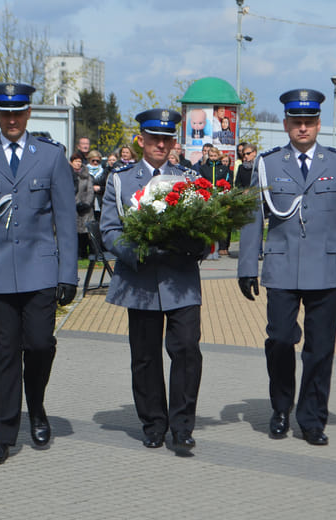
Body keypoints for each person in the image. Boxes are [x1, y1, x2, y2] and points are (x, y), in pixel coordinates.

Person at [237, 88, 336, 446]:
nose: (302, 128)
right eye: (296, 122)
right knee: (280, 340)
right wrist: (246, 265)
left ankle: (312, 418)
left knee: (320, 348)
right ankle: (281, 408)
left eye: (308, 122)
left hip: (326, 270)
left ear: (318, 124)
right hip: (281, 269)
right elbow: (252, 218)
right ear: (285, 124)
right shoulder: (268, 164)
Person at [0, 81, 78, 466]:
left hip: (41, 271)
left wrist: (68, 273)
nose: (12, 118)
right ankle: (3, 433)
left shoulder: (50, 156)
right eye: (5, 112)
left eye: (19, 111)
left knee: (40, 345)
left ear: (29, 114)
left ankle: (37, 407)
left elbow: (65, 216)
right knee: (5, 353)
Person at [100, 108, 204, 452]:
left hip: (181, 278)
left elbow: (205, 228)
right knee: (145, 356)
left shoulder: (188, 179)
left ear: (173, 141)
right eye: (153, 138)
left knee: (187, 350)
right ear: (140, 140)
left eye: (166, 138)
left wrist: (193, 244)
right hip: (141, 278)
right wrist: (136, 251)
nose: (160, 144)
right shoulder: (120, 179)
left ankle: (182, 425)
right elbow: (110, 230)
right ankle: (153, 423)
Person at [70, 151, 94, 258]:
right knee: (74, 232)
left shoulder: (87, 176)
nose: (78, 164)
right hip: (73, 207)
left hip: (85, 208)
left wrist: (87, 203)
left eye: (79, 161)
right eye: (75, 161)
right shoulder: (68, 174)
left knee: (85, 232)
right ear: (71, 163)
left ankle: (85, 253)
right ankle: (76, 253)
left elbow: (90, 190)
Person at [85, 149, 106, 220]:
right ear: (89, 160)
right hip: (86, 200)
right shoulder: (84, 171)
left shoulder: (104, 172)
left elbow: (107, 187)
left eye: (97, 161)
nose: (95, 162)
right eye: (93, 160)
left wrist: (100, 188)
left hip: (99, 200)